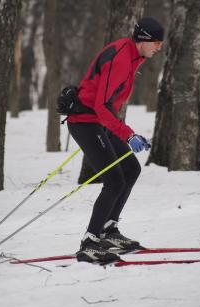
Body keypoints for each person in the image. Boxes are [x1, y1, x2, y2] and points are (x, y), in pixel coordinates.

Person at [67, 17, 164, 263]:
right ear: (143, 40)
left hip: (99, 120)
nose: (159, 47)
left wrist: (125, 133)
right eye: (156, 42)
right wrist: (128, 134)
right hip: (86, 121)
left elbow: (107, 105)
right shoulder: (122, 57)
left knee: (131, 168)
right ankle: (90, 242)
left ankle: (108, 230)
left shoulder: (133, 56)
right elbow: (101, 105)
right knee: (113, 180)